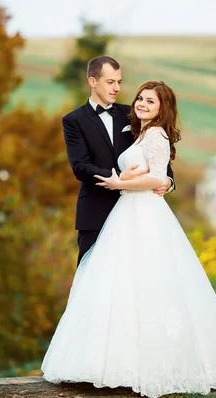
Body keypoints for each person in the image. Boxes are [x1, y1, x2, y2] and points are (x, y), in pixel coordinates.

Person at [41, 80, 216, 398]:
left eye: (150, 102)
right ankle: (117, 363)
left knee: (147, 283)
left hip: (143, 214)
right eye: (140, 98)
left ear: (162, 109)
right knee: (121, 284)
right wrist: (127, 179)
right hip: (127, 213)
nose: (142, 104)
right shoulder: (139, 132)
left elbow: (159, 176)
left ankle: (150, 365)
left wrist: (121, 184)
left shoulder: (156, 135)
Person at [60, 56, 175, 266]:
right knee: (92, 277)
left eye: (119, 82)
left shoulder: (132, 113)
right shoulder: (73, 121)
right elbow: (80, 166)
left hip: (136, 212)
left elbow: (155, 151)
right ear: (93, 82)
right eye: (110, 82)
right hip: (95, 211)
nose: (116, 88)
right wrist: (119, 177)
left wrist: (168, 180)